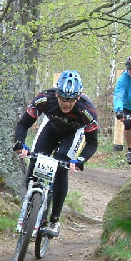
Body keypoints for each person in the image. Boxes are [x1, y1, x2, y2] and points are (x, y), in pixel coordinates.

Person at [13, 69, 99, 237]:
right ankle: (32, 204)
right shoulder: (45, 98)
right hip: (50, 128)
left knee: (61, 168)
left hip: (73, 134)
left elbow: (93, 143)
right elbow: (23, 124)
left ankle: (54, 219)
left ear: (78, 97)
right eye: (63, 98)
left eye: (71, 99)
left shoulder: (87, 111)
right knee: (35, 162)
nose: (66, 103)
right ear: (57, 94)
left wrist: (80, 160)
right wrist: (20, 143)